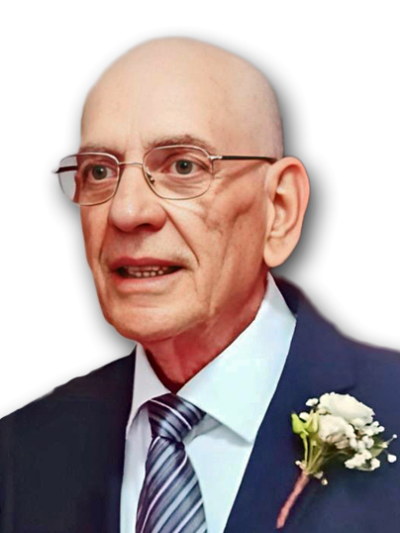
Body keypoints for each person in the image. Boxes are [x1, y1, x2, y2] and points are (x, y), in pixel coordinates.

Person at [1, 33, 399, 533]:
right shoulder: (19, 450)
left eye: (183, 166)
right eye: (99, 171)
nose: (126, 211)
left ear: (279, 209)